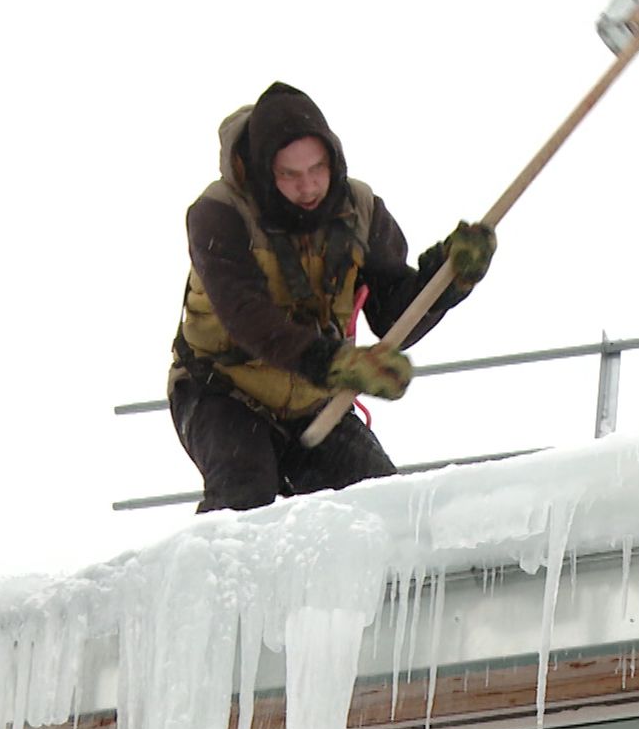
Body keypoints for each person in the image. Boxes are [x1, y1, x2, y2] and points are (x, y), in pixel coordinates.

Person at [169, 82, 496, 512]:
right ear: (265, 171)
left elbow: (395, 316)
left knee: (382, 504)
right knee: (245, 491)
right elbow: (247, 318)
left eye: (317, 169)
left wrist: (449, 281)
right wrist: (336, 363)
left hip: (314, 396)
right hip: (222, 389)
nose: (308, 187)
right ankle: (211, 575)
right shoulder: (219, 214)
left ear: (333, 158)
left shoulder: (360, 210)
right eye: (289, 174)